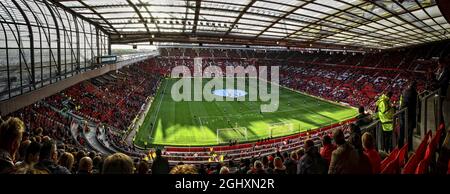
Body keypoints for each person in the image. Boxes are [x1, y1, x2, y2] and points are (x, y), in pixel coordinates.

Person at [399, 81, 417, 151]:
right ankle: (408, 148)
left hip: (402, 113)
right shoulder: (414, 93)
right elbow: (416, 104)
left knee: (402, 131)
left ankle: (400, 148)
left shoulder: (404, 91)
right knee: (409, 132)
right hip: (410, 114)